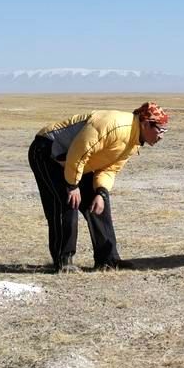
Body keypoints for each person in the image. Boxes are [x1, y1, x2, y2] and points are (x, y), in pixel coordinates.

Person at [28, 102, 169, 273]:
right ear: (146, 123)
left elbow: (109, 169)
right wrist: (72, 186)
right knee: (67, 202)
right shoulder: (114, 125)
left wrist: (101, 193)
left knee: (99, 203)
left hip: (75, 162)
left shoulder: (133, 141)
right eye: (160, 130)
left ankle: (108, 260)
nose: (162, 136)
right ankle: (63, 261)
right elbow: (78, 151)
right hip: (48, 151)